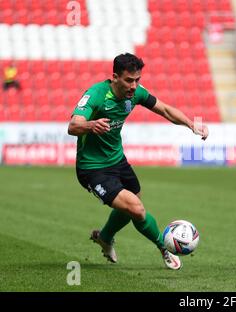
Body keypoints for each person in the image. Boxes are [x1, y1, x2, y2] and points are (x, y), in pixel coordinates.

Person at [67, 53, 209, 270]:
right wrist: (90, 125)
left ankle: (105, 237)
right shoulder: (96, 94)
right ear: (115, 77)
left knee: (131, 206)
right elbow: (73, 126)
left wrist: (191, 124)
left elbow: (165, 110)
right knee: (137, 209)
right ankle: (165, 248)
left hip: (118, 161)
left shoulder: (135, 94)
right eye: (129, 80)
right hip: (92, 168)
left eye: (137, 80)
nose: (134, 86)